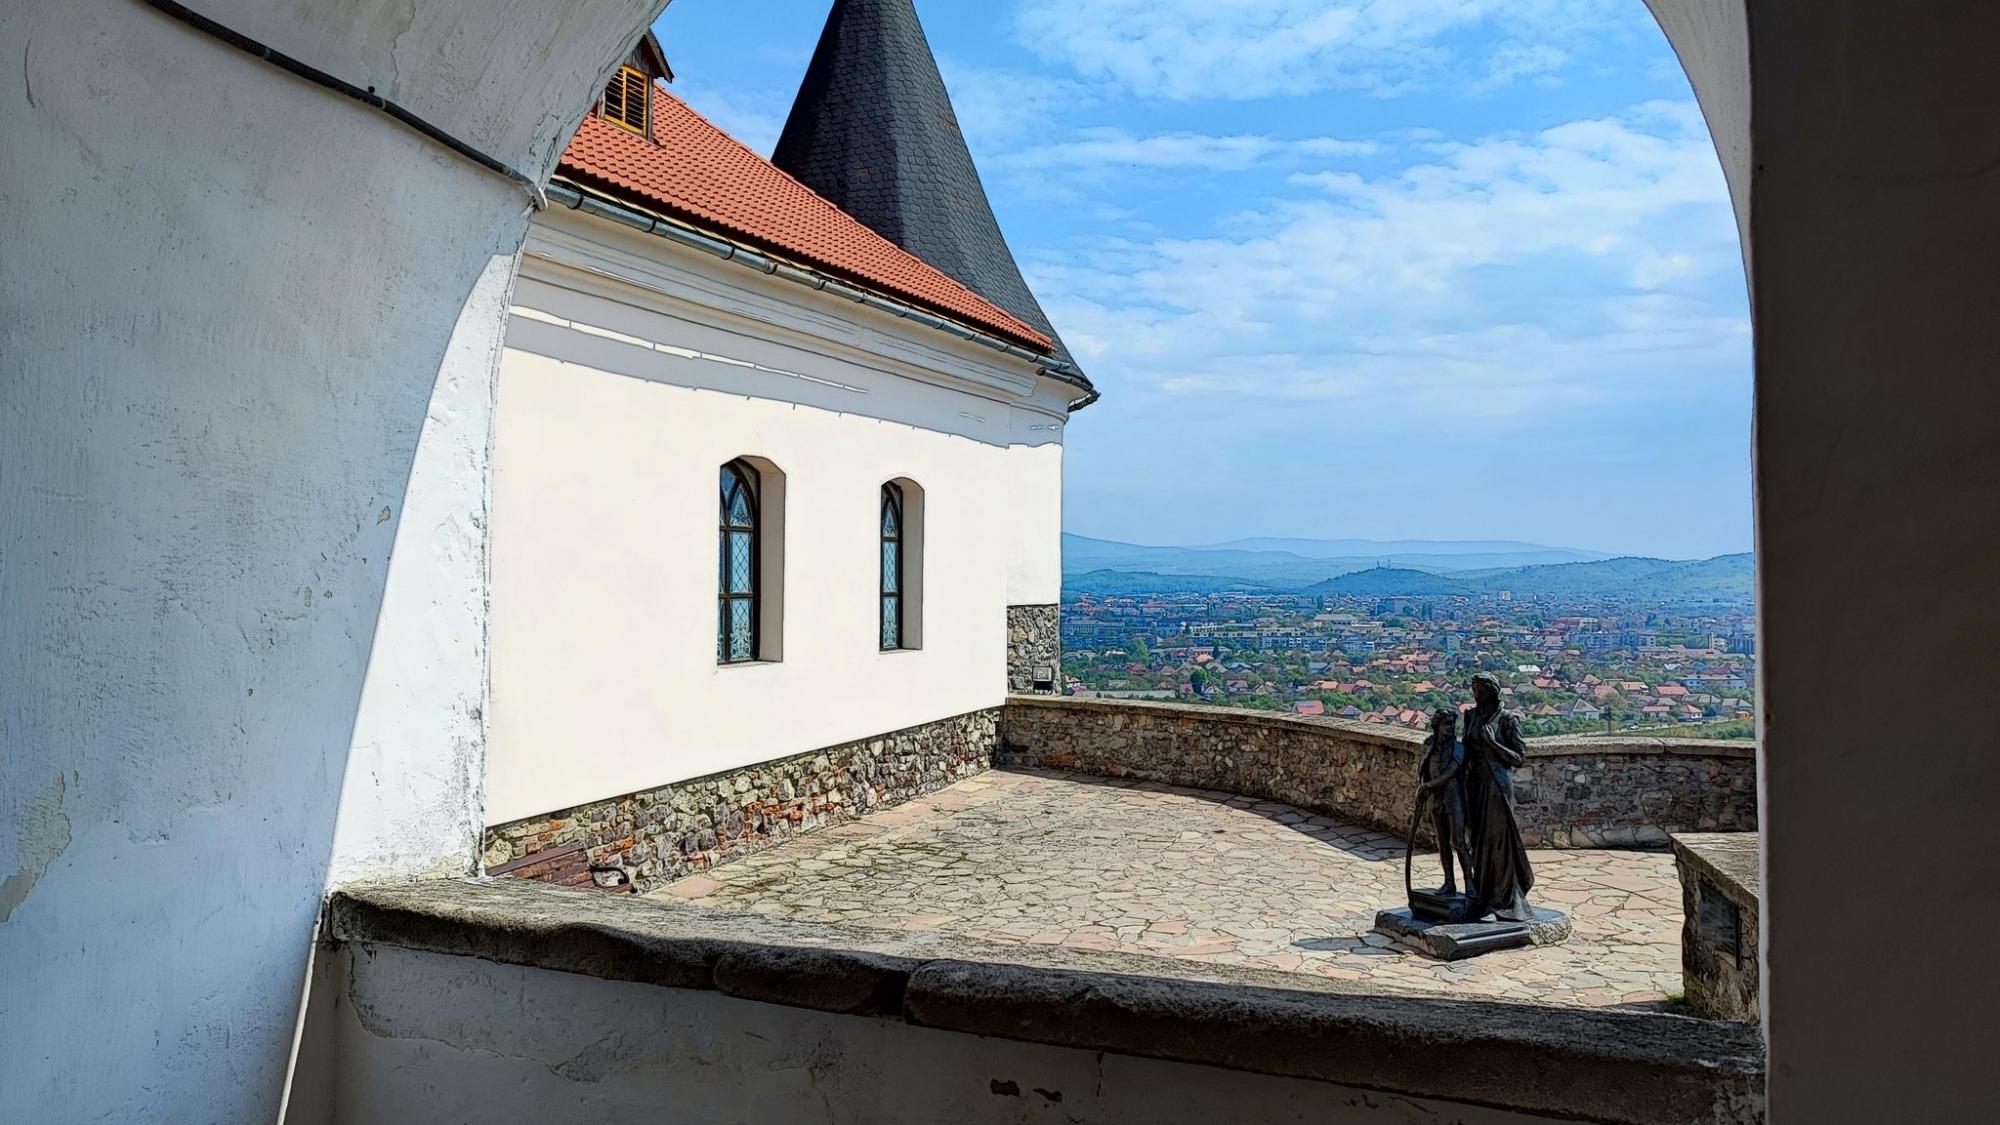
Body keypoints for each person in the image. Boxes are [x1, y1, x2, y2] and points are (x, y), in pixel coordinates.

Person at [1461, 673, 1536, 922]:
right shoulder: (1470, 716)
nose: (1476, 694)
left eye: (1480, 689)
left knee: (1498, 840)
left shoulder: (1507, 720)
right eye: (1474, 689)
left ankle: (1503, 898)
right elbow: (1466, 752)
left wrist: (1493, 744)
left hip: (1497, 785)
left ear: (1493, 691)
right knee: (1478, 839)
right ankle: (1482, 894)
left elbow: (1518, 757)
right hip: (1475, 783)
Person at [1416, 708, 1475, 898]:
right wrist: (1423, 790)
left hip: (1453, 797)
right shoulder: (1429, 745)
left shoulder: (1458, 748)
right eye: (1447, 724)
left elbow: (1450, 771)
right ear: (1437, 725)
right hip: (1435, 799)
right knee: (1442, 842)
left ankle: (1469, 882)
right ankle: (1449, 881)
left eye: (1453, 724)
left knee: (1458, 841)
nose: (1451, 728)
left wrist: (1428, 786)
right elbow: (1423, 769)